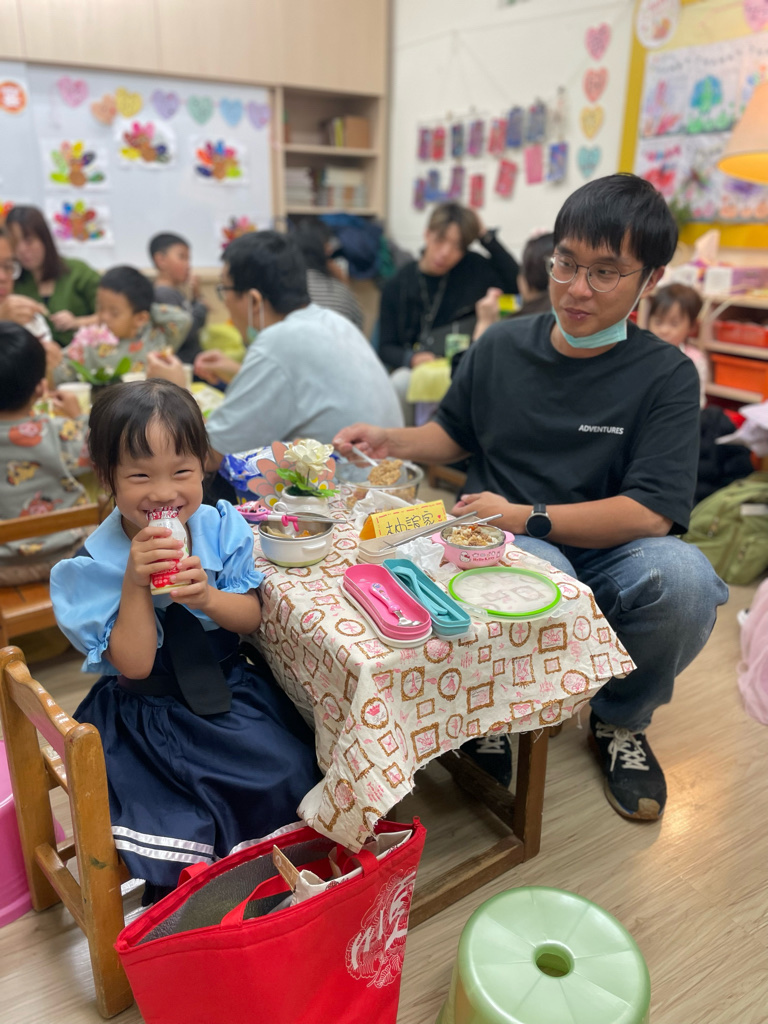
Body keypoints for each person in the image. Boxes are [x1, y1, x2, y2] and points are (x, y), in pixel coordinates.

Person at [335, 173, 729, 823]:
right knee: (537, 571)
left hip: (606, 542)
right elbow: (453, 433)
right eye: (566, 263)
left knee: (686, 581)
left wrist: (529, 515)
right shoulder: (500, 345)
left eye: (605, 272)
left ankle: (620, 721)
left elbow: (650, 512)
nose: (577, 288)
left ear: (651, 280)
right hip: (504, 537)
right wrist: (389, 438)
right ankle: (493, 714)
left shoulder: (666, 375)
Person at [50, 379, 320, 902]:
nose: (163, 493)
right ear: (107, 478)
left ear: (203, 467)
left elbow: (249, 619)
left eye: (181, 472)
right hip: (149, 712)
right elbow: (133, 664)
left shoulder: (219, 526)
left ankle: (273, 886)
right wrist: (134, 583)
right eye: (140, 476)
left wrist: (209, 598)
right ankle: (203, 900)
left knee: (289, 765)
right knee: (184, 809)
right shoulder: (91, 566)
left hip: (229, 686)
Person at [149, 231, 403, 465]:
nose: (224, 301)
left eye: (224, 290)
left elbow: (208, 455)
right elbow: (303, 390)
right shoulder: (331, 320)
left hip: (349, 493)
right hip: (389, 482)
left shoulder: (277, 343)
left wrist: (175, 392)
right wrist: (239, 372)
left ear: (254, 300)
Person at [378, 202, 519, 419]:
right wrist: (411, 358)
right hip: (418, 371)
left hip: (463, 366)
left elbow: (518, 282)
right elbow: (385, 346)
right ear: (427, 234)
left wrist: (484, 236)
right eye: (440, 240)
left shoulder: (472, 268)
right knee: (400, 382)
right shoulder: (398, 284)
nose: (445, 253)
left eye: (457, 247)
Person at [0, 323, 90, 585]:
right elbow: (100, 449)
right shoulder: (58, 432)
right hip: (67, 555)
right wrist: (79, 416)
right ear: (40, 388)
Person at [53, 266, 192, 385]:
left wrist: (147, 308)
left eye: (114, 313)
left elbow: (183, 319)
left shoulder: (155, 336)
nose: (103, 317)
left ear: (141, 318)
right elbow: (58, 374)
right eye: (100, 307)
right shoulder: (90, 343)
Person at [6, 205, 100, 346]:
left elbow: (113, 315)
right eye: (14, 243)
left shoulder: (78, 271)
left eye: (29, 241)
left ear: (44, 239)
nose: (22, 250)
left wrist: (77, 322)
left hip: (84, 354)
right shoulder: (11, 281)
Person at [293, 219, 364, 330]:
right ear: (327, 249)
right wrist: (344, 286)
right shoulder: (341, 294)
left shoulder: (285, 290)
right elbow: (357, 327)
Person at [149, 231, 208, 364]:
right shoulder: (163, 294)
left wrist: (195, 297)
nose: (188, 265)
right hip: (183, 363)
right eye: (182, 257)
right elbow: (185, 331)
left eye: (189, 259)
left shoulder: (173, 292)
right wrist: (201, 305)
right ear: (161, 260)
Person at [648, 283, 708, 407]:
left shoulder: (694, 360)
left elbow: (697, 401)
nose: (664, 330)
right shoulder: (643, 353)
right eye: (658, 322)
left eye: (674, 324)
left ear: (692, 326)